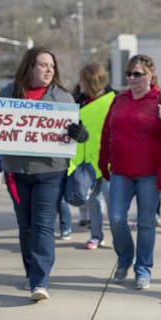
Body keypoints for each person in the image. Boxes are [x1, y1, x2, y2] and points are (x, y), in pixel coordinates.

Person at [0, 47, 88, 301]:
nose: (49, 70)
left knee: (42, 226)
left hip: (51, 171)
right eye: (42, 65)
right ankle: (32, 272)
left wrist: (81, 135)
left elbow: (78, 133)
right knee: (26, 226)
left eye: (52, 65)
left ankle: (40, 281)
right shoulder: (9, 93)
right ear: (29, 67)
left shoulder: (63, 97)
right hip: (16, 172)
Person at [99, 54, 161, 290]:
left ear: (150, 75)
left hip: (149, 174)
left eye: (138, 74)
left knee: (146, 223)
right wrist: (104, 162)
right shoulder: (119, 100)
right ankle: (125, 258)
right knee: (116, 218)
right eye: (129, 74)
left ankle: (143, 269)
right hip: (121, 171)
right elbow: (106, 132)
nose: (133, 78)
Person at [71, 63, 115, 250]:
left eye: (82, 79)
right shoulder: (78, 101)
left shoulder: (114, 100)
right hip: (87, 160)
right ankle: (96, 236)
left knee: (112, 200)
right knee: (93, 200)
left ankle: (118, 234)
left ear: (91, 81)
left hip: (110, 160)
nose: (79, 83)